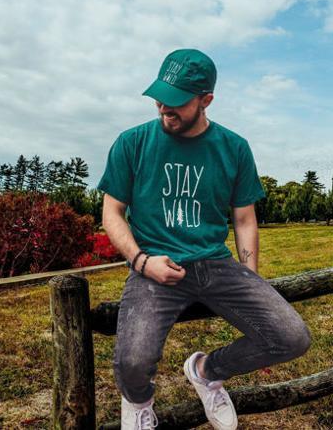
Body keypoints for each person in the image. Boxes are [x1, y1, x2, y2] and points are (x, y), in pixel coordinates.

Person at [97, 48, 312, 430]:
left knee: (291, 337)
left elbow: (244, 218)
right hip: (154, 265)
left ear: (206, 100)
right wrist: (142, 262)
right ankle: (139, 402)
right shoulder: (132, 143)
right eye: (160, 98)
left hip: (216, 263)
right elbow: (111, 213)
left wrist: (250, 276)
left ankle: (206, 371)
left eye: (177, 101)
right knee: (132, 362)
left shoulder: (234, 148)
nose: (165, 108)